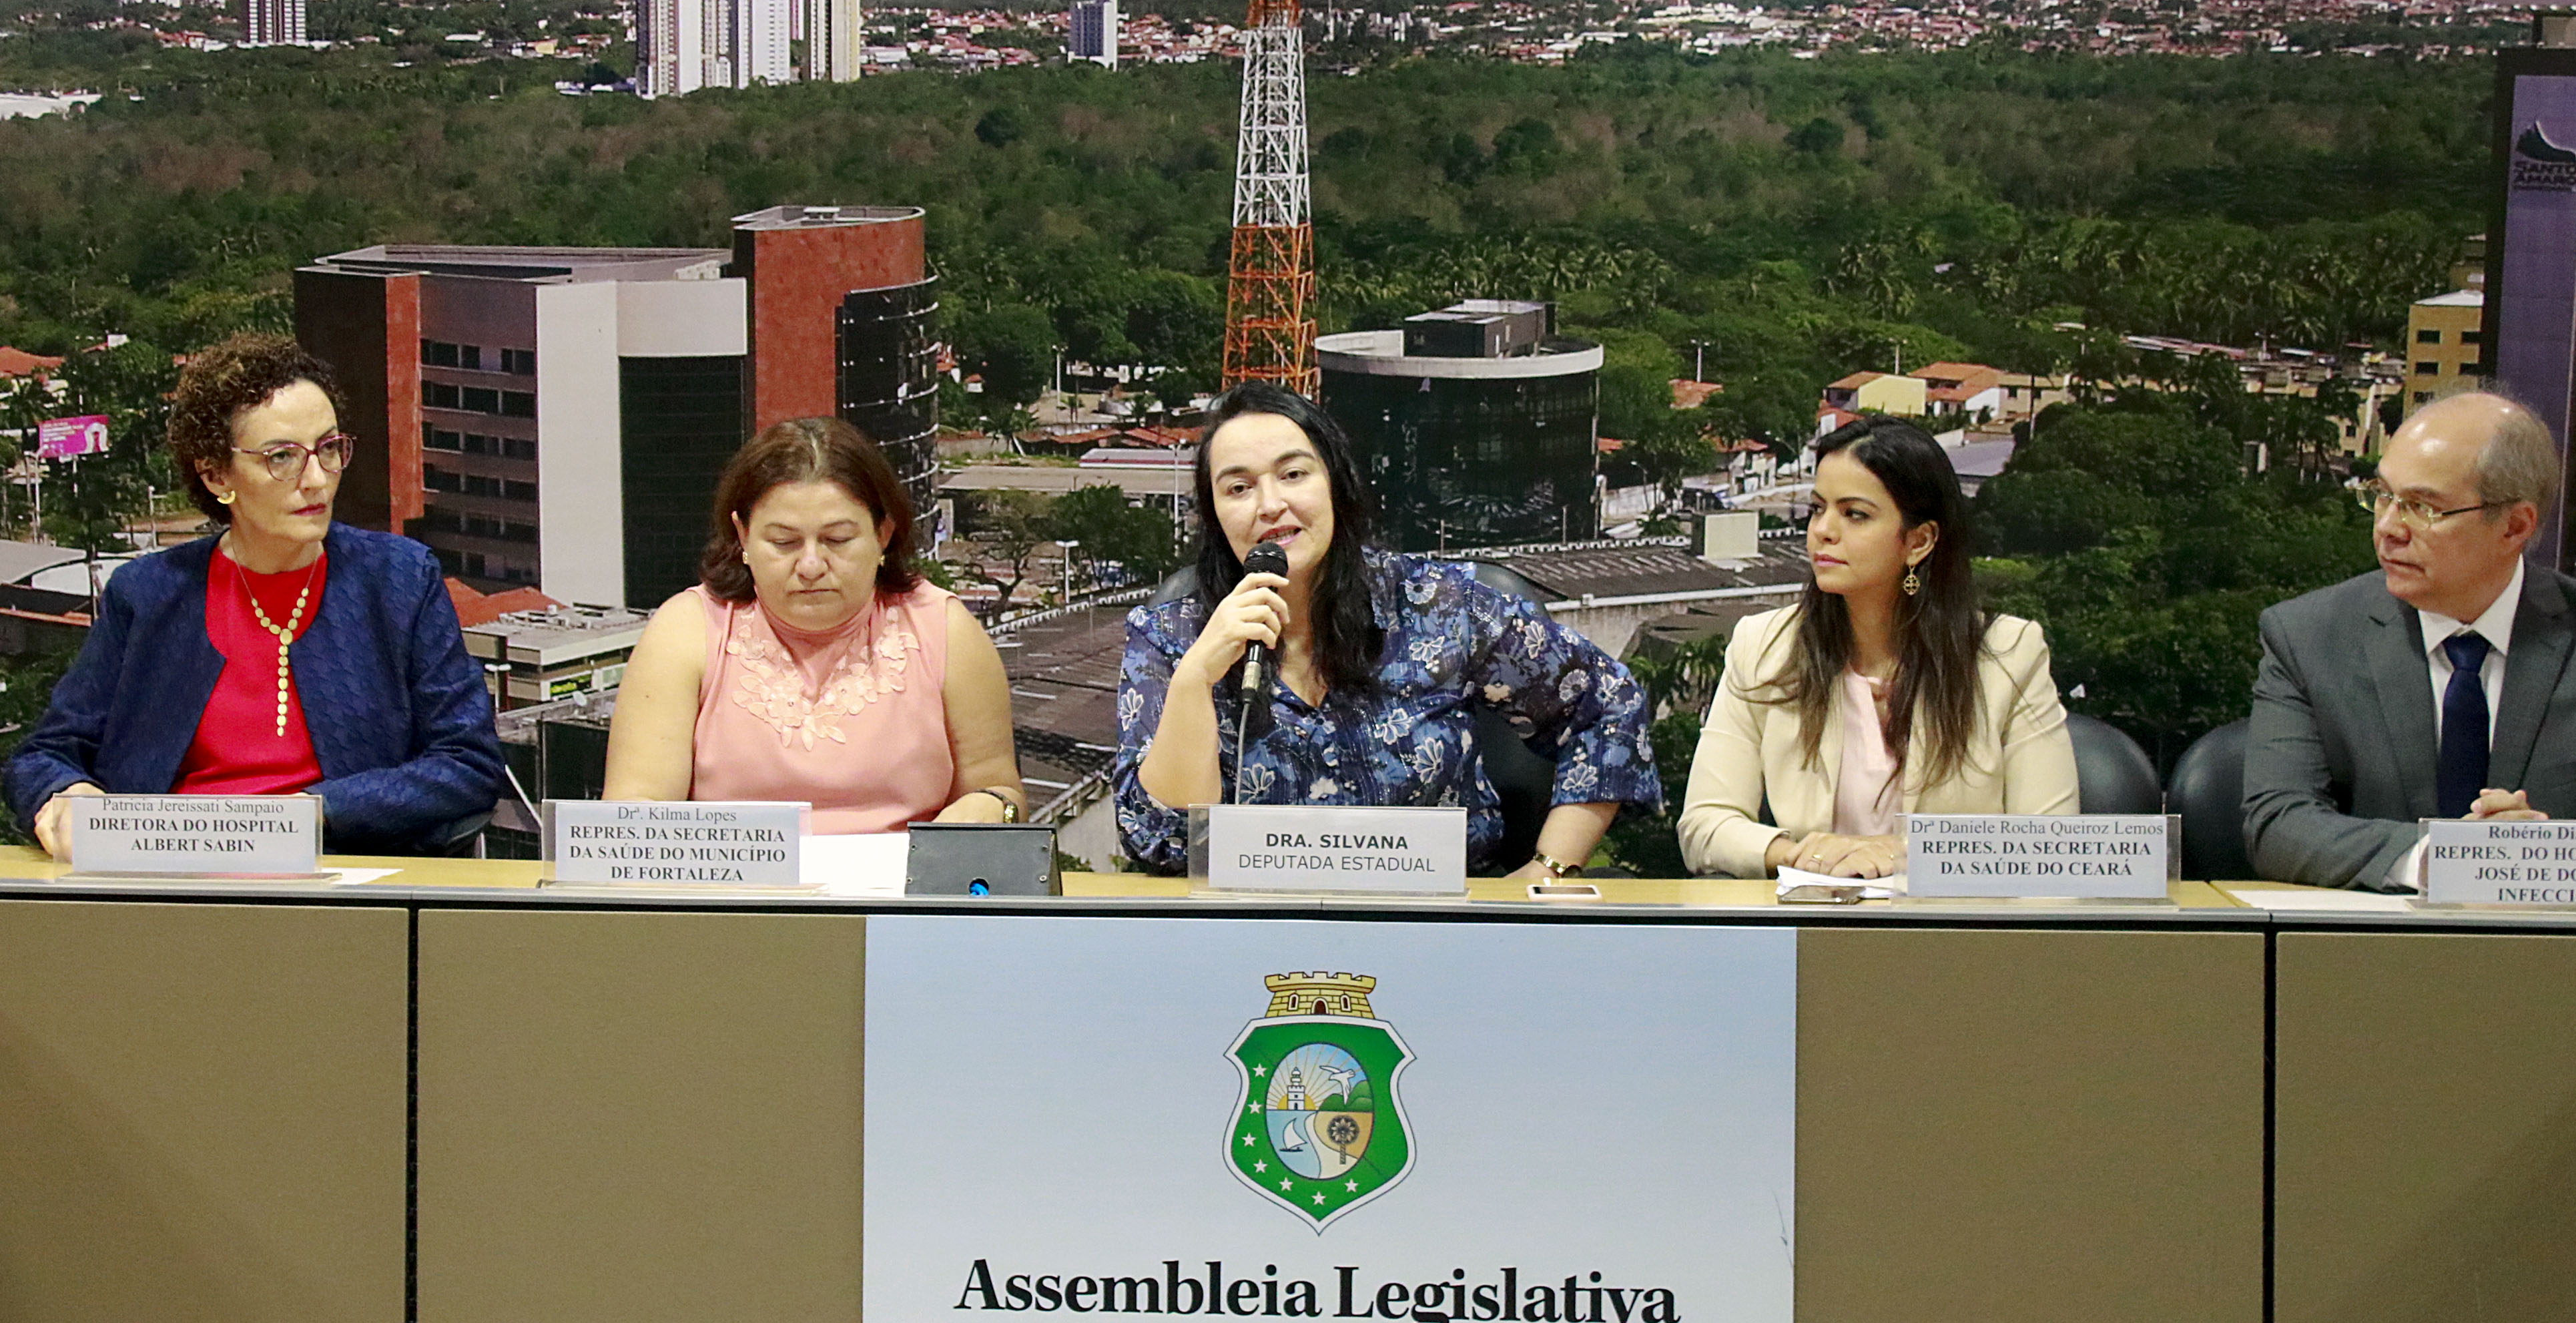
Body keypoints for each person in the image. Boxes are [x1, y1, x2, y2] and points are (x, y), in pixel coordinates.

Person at [1113, 383, 1658, 878]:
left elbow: (1608, 703)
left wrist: (1549, 869)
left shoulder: (1441, 606)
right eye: (1238, 488)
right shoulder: (1172, 633)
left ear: (1336, 484)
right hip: (1253, 930)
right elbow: (1163, 843)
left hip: (1439, 927)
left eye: (1294, 475)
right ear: (1214, 514)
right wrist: (1196, 679)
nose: (1271, 505)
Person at [5, 334, 502, 857]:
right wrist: (67, 793)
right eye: (282, 457)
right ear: (216, 474)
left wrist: (313, 812)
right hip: (168, 873)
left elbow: (468, 763)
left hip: (341, 873)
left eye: (328, 449)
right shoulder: (148, 594)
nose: (317, 480)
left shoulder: (399, 580)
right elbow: (43, 755)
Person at [2244, 385, 2576, 890]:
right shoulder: (2308, 637)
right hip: (2377, 936)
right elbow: (2278, 824)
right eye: (2383, 496)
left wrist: (2541, 857)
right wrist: (2441, 859)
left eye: (2424, 508)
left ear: (2514, 526)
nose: (2388, 528)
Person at [1679, 415, 2077, 879]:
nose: (1824, 531)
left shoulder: (2008, 656)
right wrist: (1804, 856)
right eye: (1817, 509)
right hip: (1814, 915)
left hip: (1955, 919)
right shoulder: (1764, 647)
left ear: (1918, 541)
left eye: (1855, 515)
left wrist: (1901, 855)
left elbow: (2052, 844)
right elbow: (1705, 825)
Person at [605, 417, 1024, 830]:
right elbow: (635, 812)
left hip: (905, 875)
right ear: (743, 536)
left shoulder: (943, 629)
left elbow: (1001, 792)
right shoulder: (688, 630)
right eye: (784, 543)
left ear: (883, 533)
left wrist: (991, 806)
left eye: (837, 540)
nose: (810, 566)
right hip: (733, 876)